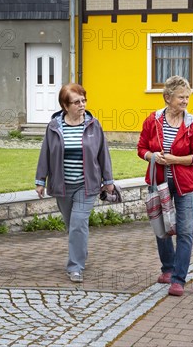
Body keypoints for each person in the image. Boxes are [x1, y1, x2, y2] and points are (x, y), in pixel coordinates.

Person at [35, 83, 115, 283]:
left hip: (86, 185)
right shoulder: (54, 127)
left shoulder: (93, 125)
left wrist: (108, 180)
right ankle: (80, 253)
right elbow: (45, 153)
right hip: (62, 185)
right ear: (65, 105)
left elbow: (103, 154)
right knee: (73, 226)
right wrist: (40, 180)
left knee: (78, 224)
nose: (82, 105)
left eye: (84, 100)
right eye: (76, 102)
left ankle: (75, 267)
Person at [137, 75, 193, 297]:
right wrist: (153, 156)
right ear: (167, 97)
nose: (185, 101)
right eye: (181, 97)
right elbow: (140, 149)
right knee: (162, 229)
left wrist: (175, 160)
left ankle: (178, 279)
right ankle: (167, 268)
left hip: (185, 185)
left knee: (185, 231)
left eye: (187, 97)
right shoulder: (153, 120)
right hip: (158, 183)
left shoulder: (192, 123)